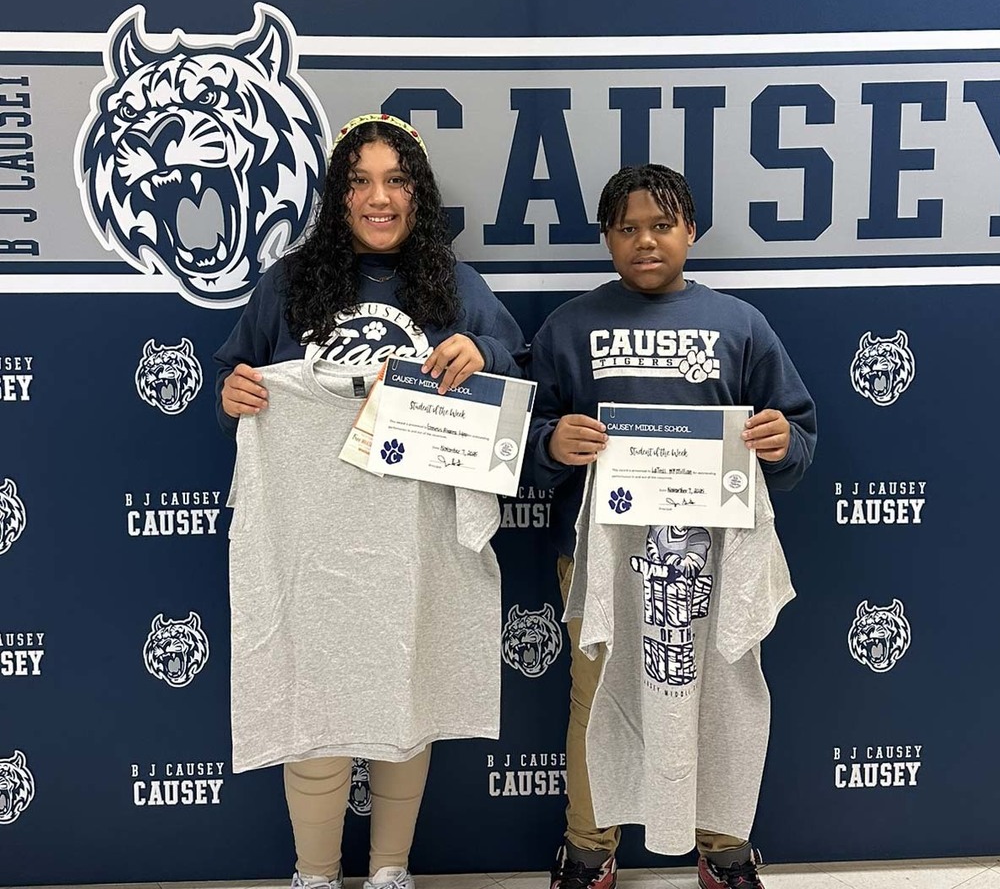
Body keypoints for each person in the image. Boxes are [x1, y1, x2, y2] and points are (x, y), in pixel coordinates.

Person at [215, 113, 528, 889]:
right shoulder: (290, 281)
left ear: (417, 194)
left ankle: (392, 868)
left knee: (405, 693)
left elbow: (518, 378)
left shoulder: (456, 286)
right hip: (311, 540)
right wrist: (236, 391)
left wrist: (481, 351)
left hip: (412, 538)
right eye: (360, 181)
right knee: (314, 697)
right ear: (338, 194)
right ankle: (314, 872)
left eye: (395, 181)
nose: (378, 197)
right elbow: (234, 379)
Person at [527, 164, 816, 889]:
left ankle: (724, 847)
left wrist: (784, 444)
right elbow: (523, 442)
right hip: (599, 559)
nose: (645, 241)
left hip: (714, 556)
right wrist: (551, 445)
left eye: (661, 225)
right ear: (607, 238)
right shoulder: (569, 325)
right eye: (627, 228)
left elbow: (798, 436)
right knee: (600, 701)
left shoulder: (741, 325)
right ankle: (588, 849)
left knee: (719, 692)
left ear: (690, 230)